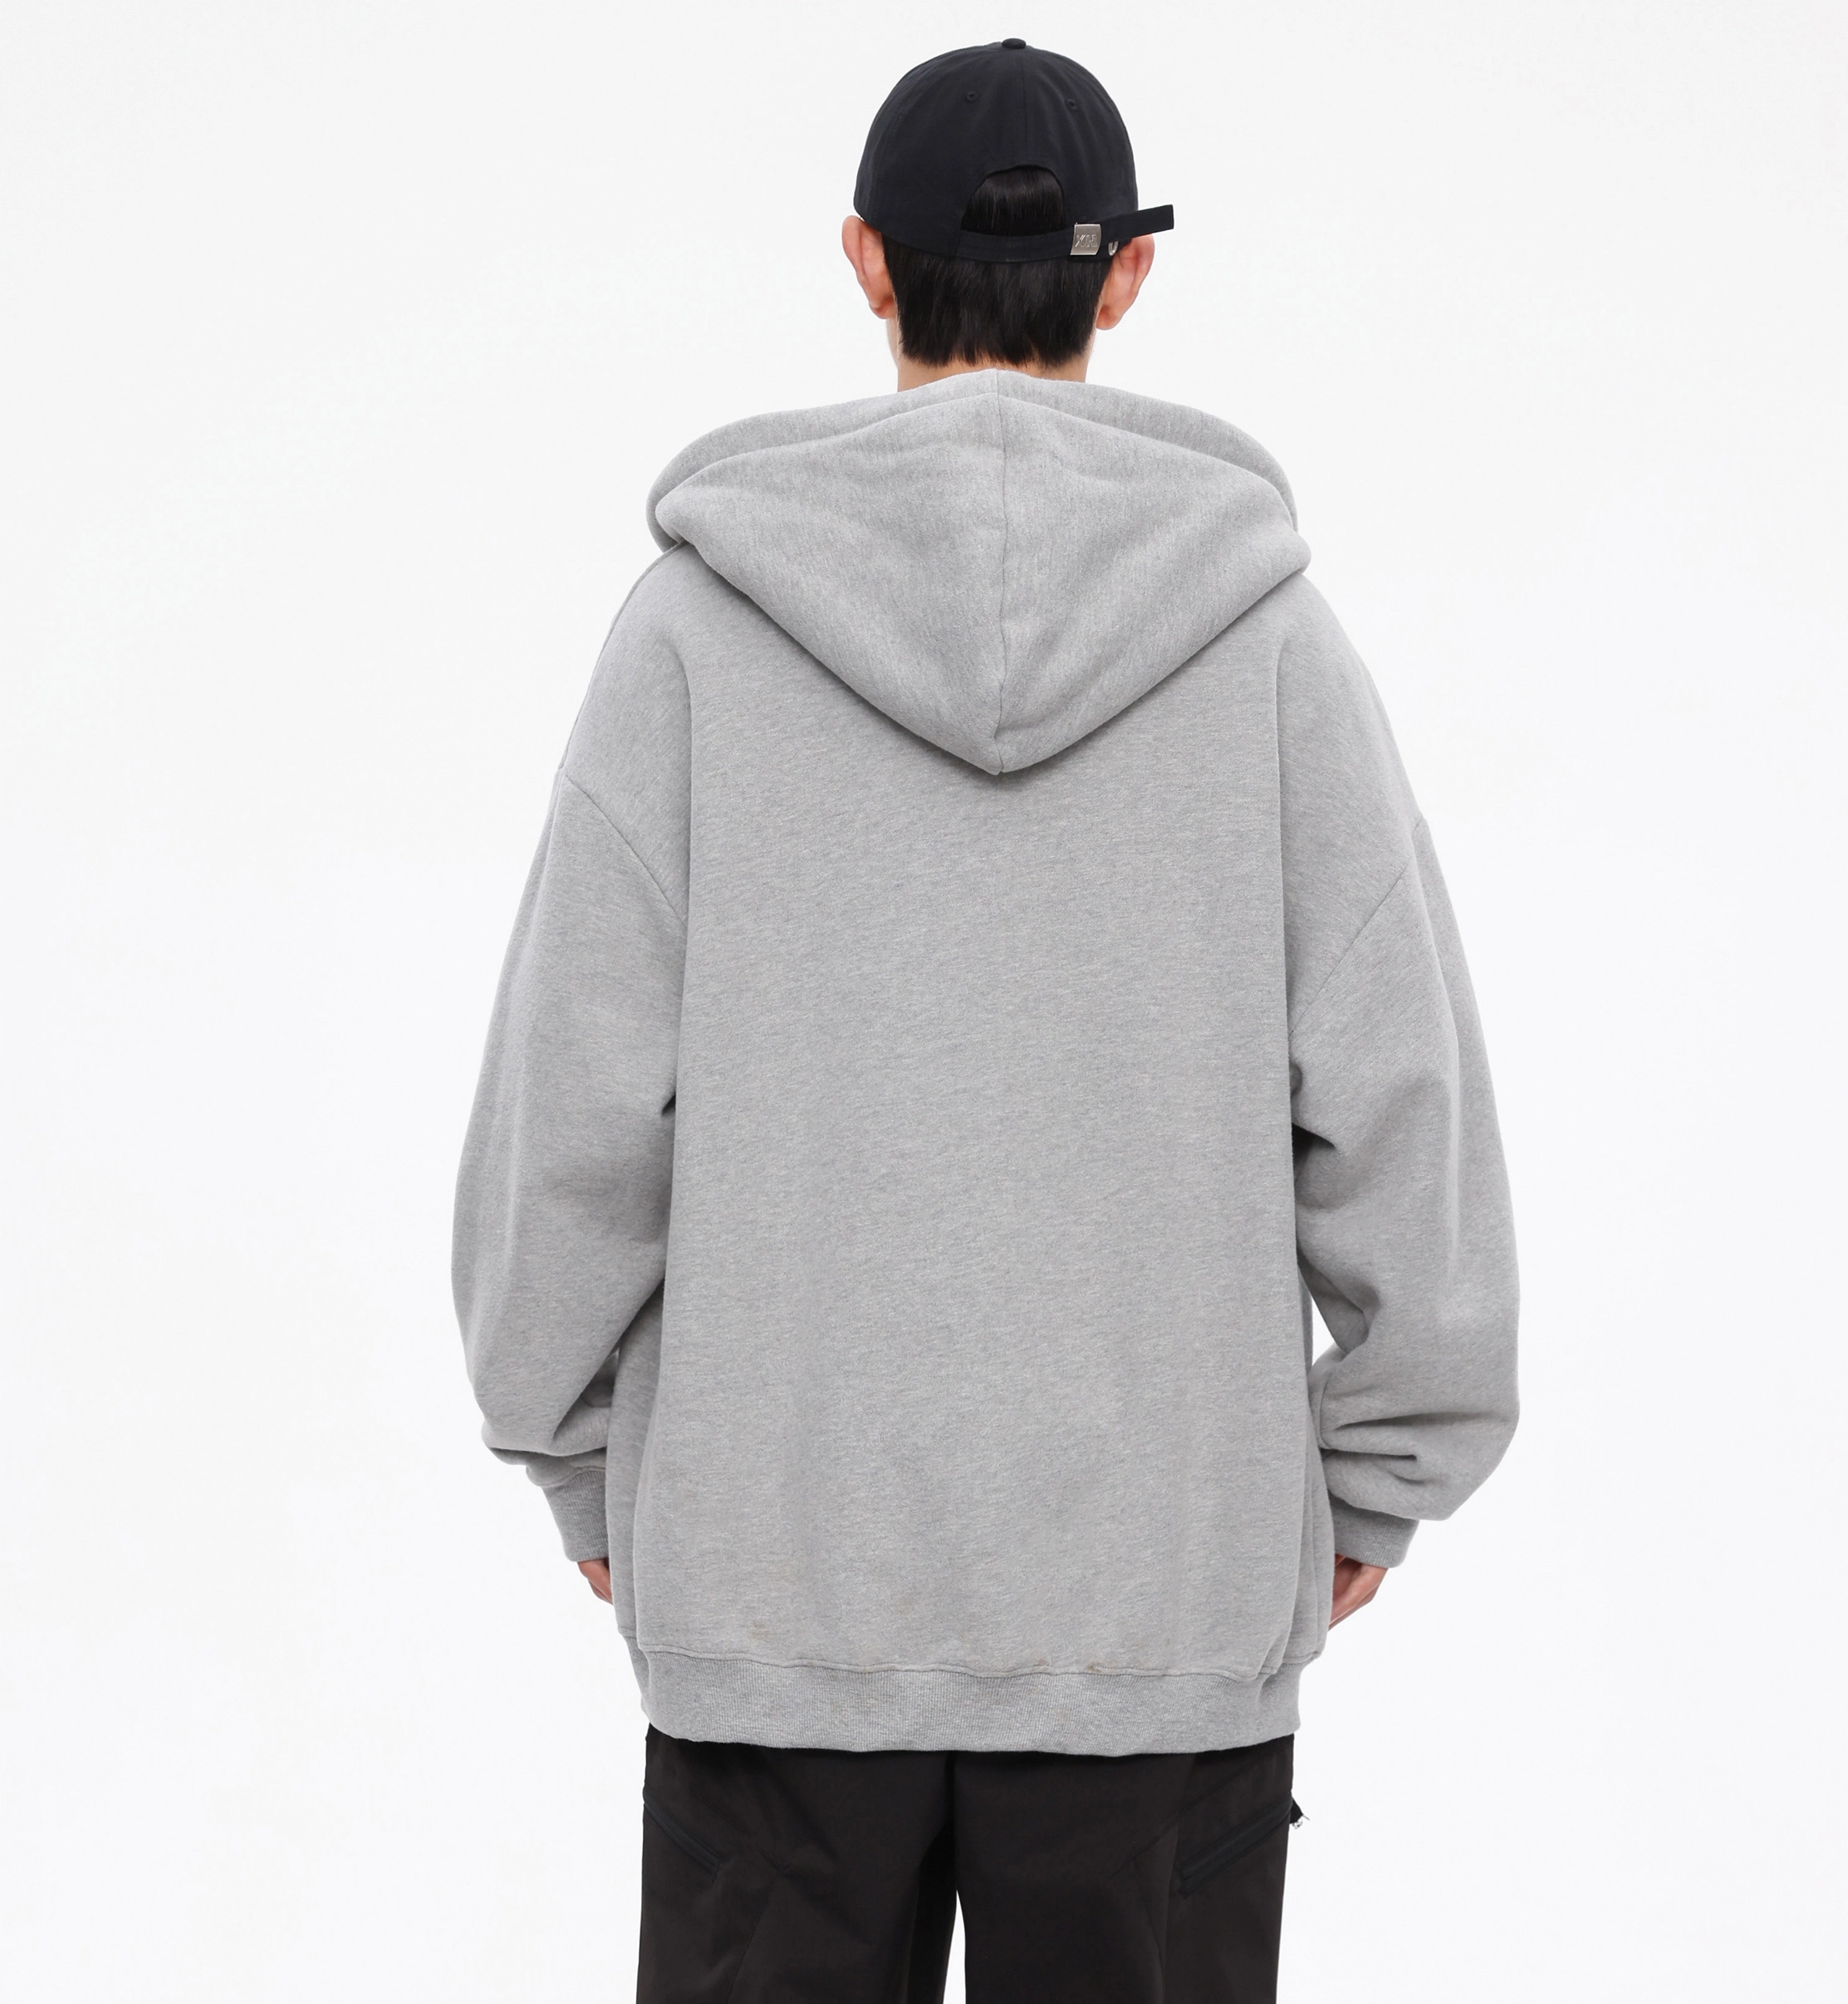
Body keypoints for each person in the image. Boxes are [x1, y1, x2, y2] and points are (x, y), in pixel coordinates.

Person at [453, 38, 1518, 2004]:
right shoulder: (1273, 650)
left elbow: (569, 1111)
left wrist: (584, 1458)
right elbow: (1402, 1105)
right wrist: (1380, 1463)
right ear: (1128, 277)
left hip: (773, 1595)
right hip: (1160, 1614)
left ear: (864, 260)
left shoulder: (688, 640)